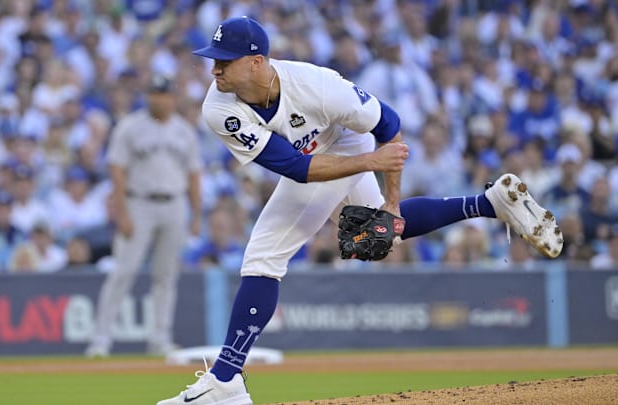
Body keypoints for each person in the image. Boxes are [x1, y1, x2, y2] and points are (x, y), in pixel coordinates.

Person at [156, 16, 563, 405]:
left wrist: (392, 197)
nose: (215, 69)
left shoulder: (317, 85)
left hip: (346, 142)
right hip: (315, 160)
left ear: (257, 61)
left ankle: (226, 379)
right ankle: (490, 203)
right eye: (214, 59)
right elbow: (296, 168)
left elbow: (389, 125)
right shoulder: (219, 108)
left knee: (264, 256)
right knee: (385, 232)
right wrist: (378, 183)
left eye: (225, 60)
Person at [85, 74, 203, 358]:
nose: (157, 98)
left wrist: (196, 214)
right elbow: (117, 171)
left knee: (166, 275)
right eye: (153, 93)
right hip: (139, 203)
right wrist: (122, 211)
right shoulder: (130, 127)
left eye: (162, 94)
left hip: (174, 203)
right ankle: (101, 339)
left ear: (172, 98)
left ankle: (160, 338)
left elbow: (194, 174)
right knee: (123, 271)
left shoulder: (184, 130)